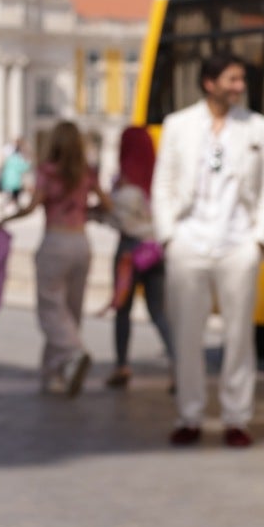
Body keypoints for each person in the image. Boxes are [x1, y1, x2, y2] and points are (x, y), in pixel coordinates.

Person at [153, 55, 264, 447]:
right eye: (232, 78)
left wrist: (259, 240)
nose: (239, 86)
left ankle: (236, 417)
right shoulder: (179, 125)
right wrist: (169, 237)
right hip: (189, 241)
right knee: (187, 336)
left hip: (237, 244)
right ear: (209, 82)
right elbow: (163, 184)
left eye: (242, 79)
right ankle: (189, 414)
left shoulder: (258, 127)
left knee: (239, 337)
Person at [0, 121, 108, 395]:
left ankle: (73, 352)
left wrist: (5, 219)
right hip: (82, 243)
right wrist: (86, 211)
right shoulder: (87, 173)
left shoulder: (47, 172)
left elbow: (33, 207)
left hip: (55, 241)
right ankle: (54, 372)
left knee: (50, 308)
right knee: (71, 310)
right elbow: (107, 205)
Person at [101, 125, 171, 389]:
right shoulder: (157, 183)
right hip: (155, 253)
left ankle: (122, 366)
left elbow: (110, 216)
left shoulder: (125, 189)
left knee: (122, 310)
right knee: (158, 312)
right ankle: (177, 364)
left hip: (130, 253)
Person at [0, 136, 29, 201]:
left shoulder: (10, 159)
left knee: (9, 196)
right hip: (15, 182)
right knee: (14, 197)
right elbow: (25, 167)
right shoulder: (18, 158)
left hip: (9, 181)